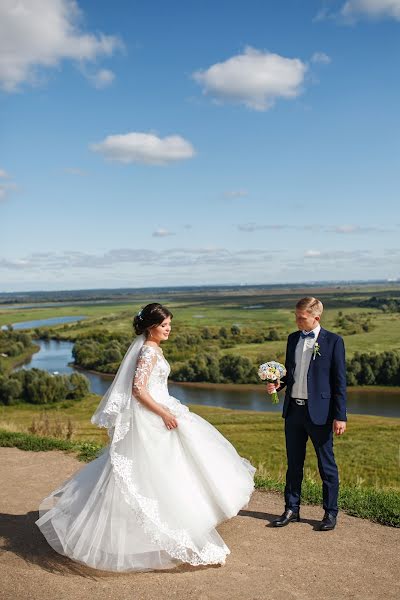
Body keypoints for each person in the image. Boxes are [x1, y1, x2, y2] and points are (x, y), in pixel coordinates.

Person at [35, 303, 255, 572]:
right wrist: (163, 413)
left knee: (165, 471)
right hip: (152, 416)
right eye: (164, 326)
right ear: (151, 327)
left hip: (163, 408)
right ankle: (155, 528)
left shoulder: (151, 348)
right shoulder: (148, 351)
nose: (169, 330)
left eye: (170, 325)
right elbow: (138, 390)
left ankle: (186, 518)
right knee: (149, 474)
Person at [266, 297, 347, 531]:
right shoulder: (293, 339)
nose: (297, 321)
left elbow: (339, 382)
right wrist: (277, 385)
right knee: (293, 464)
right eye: (296, 316)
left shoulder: (334, 342)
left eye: (301, 318)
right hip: (294, 412)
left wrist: (340, 416)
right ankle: (292, 509)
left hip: (321, 415)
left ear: (316, 318)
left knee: (326, 465)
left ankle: (330, 513)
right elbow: (291, 375)